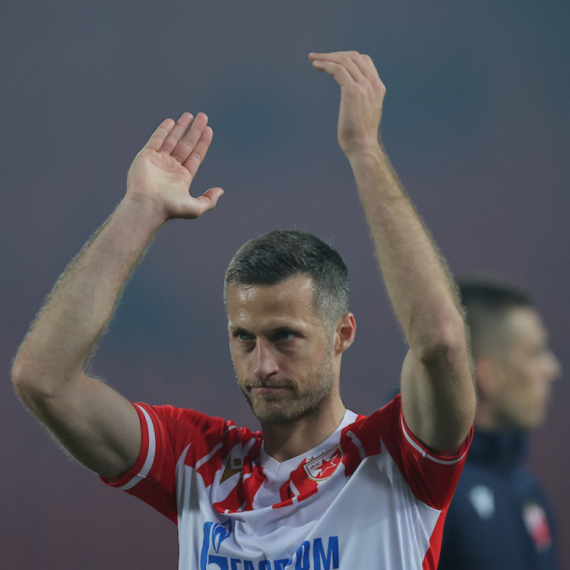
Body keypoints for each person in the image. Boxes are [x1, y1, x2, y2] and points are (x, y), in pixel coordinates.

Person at [11, 51, 476, 569]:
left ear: (342, 333)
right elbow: (44, 380)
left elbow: (441, 341)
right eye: (244, 337)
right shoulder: (197, 460)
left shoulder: (396, 456)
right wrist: (139, 210)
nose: (262, 365)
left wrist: (364, 150)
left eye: (285, 336)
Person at [438, 278, 562, 570]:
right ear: (488, 374)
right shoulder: (426, 494)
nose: (552, 369)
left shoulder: (527, 490)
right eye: (535, 352)